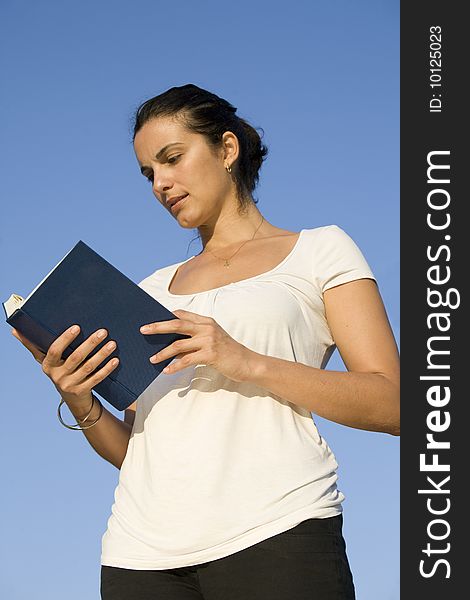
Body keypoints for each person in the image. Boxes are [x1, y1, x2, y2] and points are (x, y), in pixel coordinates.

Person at [12, 84, 400, 600]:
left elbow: (393, 404)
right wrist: (76, 396)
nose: (161, 184)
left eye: (172, 159)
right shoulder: (148, 291)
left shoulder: (321, 251)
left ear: (227, 149)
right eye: (149, 173)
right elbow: (136, 451)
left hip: (278, 533)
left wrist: (244, 360)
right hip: (139, 557)